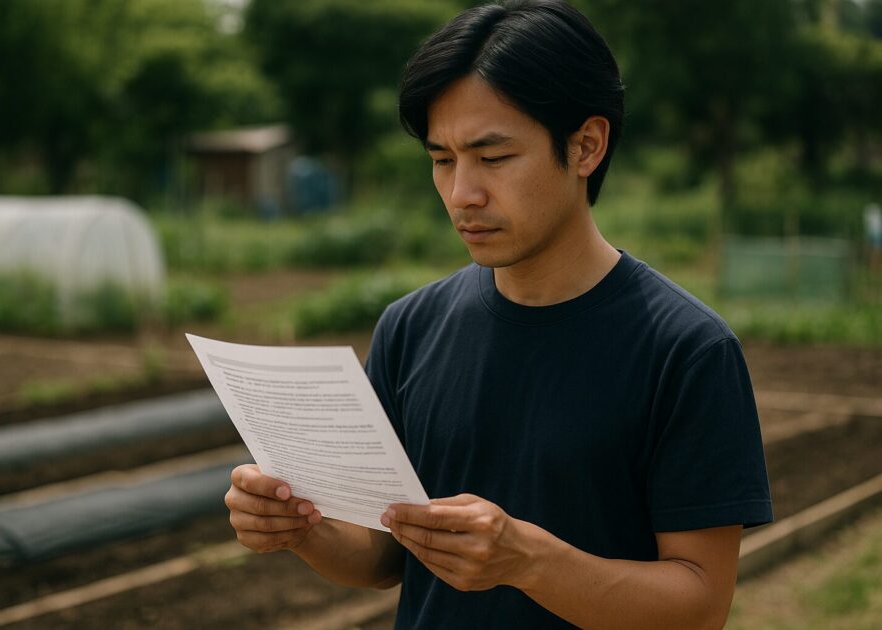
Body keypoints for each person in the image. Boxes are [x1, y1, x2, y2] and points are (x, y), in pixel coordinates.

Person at [224, 1, 773, 628]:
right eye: (442, 160)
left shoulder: (687, 349)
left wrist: (529, 561)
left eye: (493, 158)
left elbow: (700, 606)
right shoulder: (410, 328)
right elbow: (383, 555)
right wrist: (302, 528)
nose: (463, 194)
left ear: (586, 146)